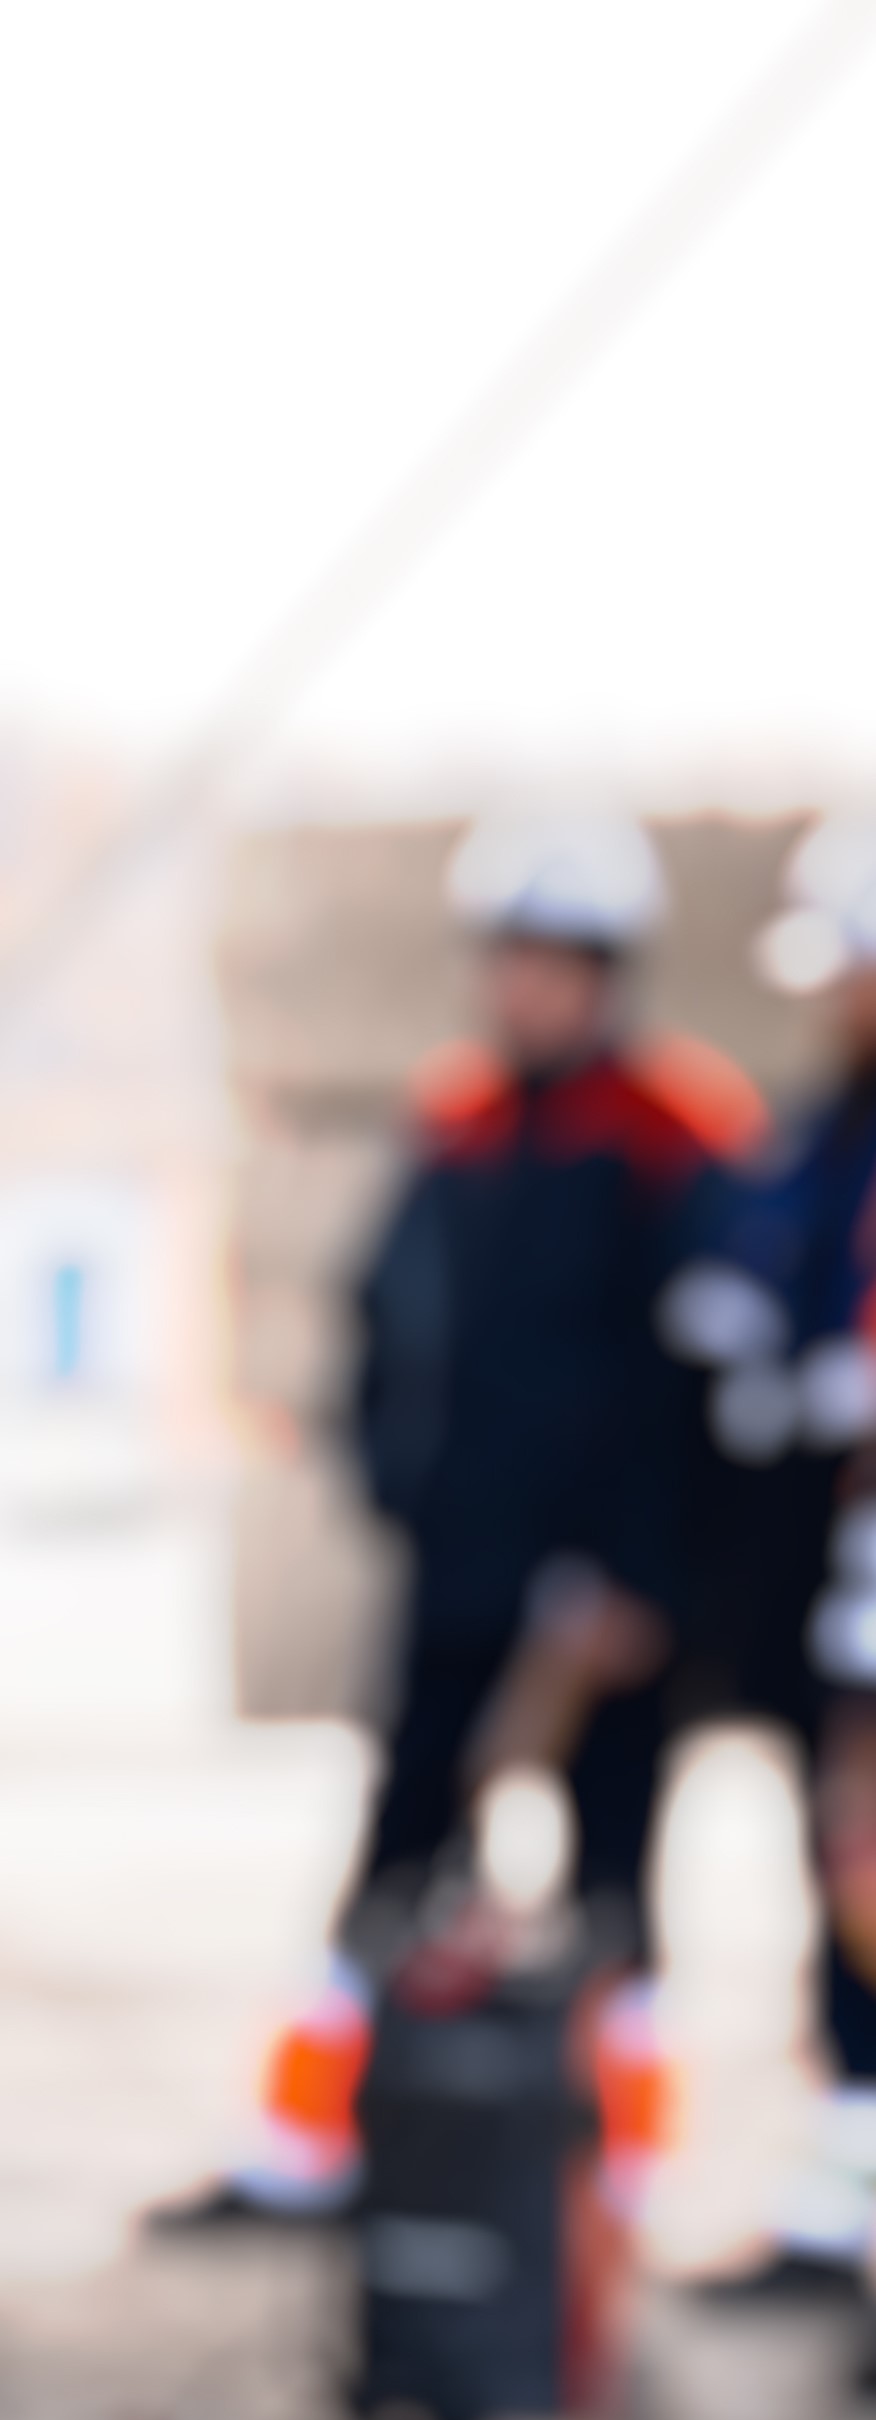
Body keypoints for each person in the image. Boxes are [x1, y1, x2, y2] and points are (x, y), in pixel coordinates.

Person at [173, 815, 757, 2225]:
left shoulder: (676, 1140)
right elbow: (392, 1328)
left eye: (555, 964)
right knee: (396, 1859)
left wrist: (639, 1578)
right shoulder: (458, 1127)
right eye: (511, 960)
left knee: (613, 1889)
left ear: (608, 971)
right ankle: (313, 2151)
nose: (526, 989)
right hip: (460, 1575)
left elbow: (690, 1391)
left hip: (609, 1605)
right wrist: (401, 1483)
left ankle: (621, 2184)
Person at [661, 818, 876, 2295]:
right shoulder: (826, 1133)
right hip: (848, 1584)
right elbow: (769, 1226)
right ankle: (844, 2202)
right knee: (852, 1874)